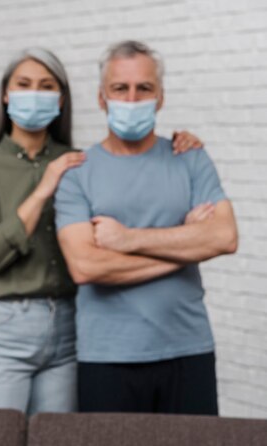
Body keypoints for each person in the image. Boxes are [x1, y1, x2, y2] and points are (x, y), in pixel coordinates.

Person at [0, 47, 201, 416]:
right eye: (24, 85)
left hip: (69, 324)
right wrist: (44, 188)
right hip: (6, 324)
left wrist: (181, 144)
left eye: (46, 86)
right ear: (6, 94)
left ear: (60, 99)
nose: (35, 94)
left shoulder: (79, 160)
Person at [55, 40, 238, 415]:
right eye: (121, 88)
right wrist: (184, 249)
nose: (132, 98)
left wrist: (126, 239)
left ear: (161, 97)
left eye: (145, 88)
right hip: (107, 355)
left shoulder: (190, 158)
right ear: (102, 98)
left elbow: (224, 236)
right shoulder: (77, 172)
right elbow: (86, 267)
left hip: (189, 349)